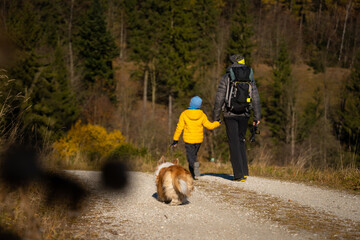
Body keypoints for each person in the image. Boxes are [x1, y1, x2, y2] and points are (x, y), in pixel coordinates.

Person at [213, 54, 261, 182]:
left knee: (233, 142)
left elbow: (219, 98)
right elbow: (255, 98)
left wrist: (216, 116)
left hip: (230, 113)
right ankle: (245, 171)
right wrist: (257, 116)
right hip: (245, 113)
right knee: (241, 140)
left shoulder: (227, 77)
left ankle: (238, 174)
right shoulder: (249, 76)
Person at [171, 96, 221, 180]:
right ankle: (193, 175)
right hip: (198, 140)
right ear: (199, 105)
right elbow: (209, 126)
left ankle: (195, 169)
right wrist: (217, 123)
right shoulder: (202, 114)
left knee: (191, 158)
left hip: (188, 140)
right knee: (193, 156)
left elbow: (179, 128)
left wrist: (175, 140)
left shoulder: (184, 114)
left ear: (190, 103)